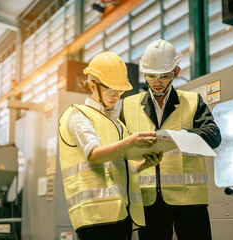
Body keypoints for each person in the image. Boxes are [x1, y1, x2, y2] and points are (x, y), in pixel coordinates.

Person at [120, 39, 222, 240]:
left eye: (164, 76)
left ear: (176, 72)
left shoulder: (192, 101)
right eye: (152, 76)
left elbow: (214, 136)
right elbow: (120, 150)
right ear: (144, 74)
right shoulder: (128, 105)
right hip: (148, 203)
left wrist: (180, 137)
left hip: (190, 202)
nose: (157, 82)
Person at [58, 52, 162, 240]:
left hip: (121, 215)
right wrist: (131, 141)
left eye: (119, 91)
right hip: (94, 217)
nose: (116, 96)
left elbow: (117, 170)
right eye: (110, 90)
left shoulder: (117, 124)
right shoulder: (78, 115)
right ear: (92, 85)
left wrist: (145, 164)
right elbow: (94, 155)